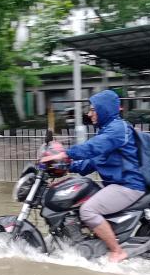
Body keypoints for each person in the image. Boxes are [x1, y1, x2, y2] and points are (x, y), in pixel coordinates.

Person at [41, 90, 144, 263]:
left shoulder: (118, 129)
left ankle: (117, 251)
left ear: (104, 109)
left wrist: (64, 154)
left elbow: (92, 148)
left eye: (93, 110)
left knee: (88, 210)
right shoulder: (107, 131)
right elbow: (92, 162)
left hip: (129, 185)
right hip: (117, 184)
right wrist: (66, 167)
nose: (89, 114)